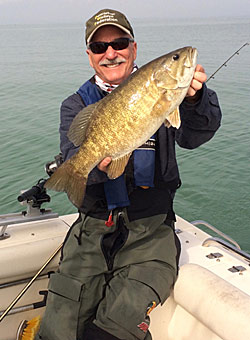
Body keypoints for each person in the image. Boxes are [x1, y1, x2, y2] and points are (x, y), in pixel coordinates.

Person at [36, 8, 222, 340]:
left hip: (151, 230)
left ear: (133, 48)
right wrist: (92, 170)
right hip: (93, 229)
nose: (111, 53)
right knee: (57, 330)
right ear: (90, 56)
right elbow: (72, 153)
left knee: (115, 329)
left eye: (119, 43)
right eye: (99, 47)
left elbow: (194, 136)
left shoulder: (166, 91)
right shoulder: (75, 105)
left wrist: (195, 101)